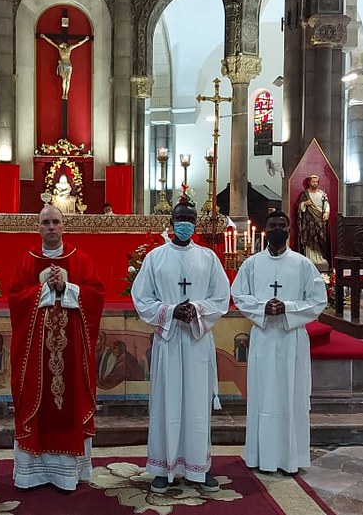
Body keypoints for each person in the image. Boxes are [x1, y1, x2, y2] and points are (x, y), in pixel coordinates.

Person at [130, 200, 230, 494]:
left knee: (198, 406)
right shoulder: (155, 258)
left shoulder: (208, 258)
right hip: (169, 340)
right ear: (171, 221)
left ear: (196, 222)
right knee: (166, 403)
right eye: (180, 218)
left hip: (198, 342)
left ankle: (199, 468)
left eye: (190, 217)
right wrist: (171, 311)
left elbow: (221, 297)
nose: (185, 222)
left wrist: (196, 309)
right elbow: (142, 298)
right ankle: (163, 469)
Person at [7, 204, 105, 491]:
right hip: (35, 352)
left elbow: (96, 295)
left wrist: (66, 287)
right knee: (35, 402)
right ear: (38, 227)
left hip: (71, 351)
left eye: (56, 222)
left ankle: (69, 472)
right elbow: (14, 298)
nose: (51, 227)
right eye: (45, 222)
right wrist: (44, 289)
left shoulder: (80, 259)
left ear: (64, 226)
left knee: (69, 400)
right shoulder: (27, 261)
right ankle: (32, 472)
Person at [229, 211, 327, 475]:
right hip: (263, 337)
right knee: (263, 396)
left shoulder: (302, 264)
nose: (277, 229)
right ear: (265, 228)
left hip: (291, 338)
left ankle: (290, 458)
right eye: (272, 225)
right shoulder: (252, 264)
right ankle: (261, 456)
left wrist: (288, 308)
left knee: (291, 395)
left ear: (289, 229)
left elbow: (318, 300)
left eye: (282, 226)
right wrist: (263, 308)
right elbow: (238, 294)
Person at [39, 33, 91, 100]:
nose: (62, 45)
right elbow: (51, 42)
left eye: (63, 44)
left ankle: (66, 94)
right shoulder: (59, 49)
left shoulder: (69, 48)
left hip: (68, 66)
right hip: (63, 65)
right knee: (64, 80)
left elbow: (78, 44)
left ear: (65, 44)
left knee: (68, 80)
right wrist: (44, 37)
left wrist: (85, 40)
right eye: (61, 44)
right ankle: (64, 93)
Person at [296, 174, 330, 270]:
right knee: (310, 238)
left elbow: (326, 204)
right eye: (313, 181)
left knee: (320, 239)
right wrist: (304, 204)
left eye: (316, 182)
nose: (314, 183)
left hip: (320, 220)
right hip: (308, 221)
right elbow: (299, 206)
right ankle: (310, 258)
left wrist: (326, 212)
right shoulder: (305, 194)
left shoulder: (322, 194)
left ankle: (320, 258)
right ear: (309, 182)